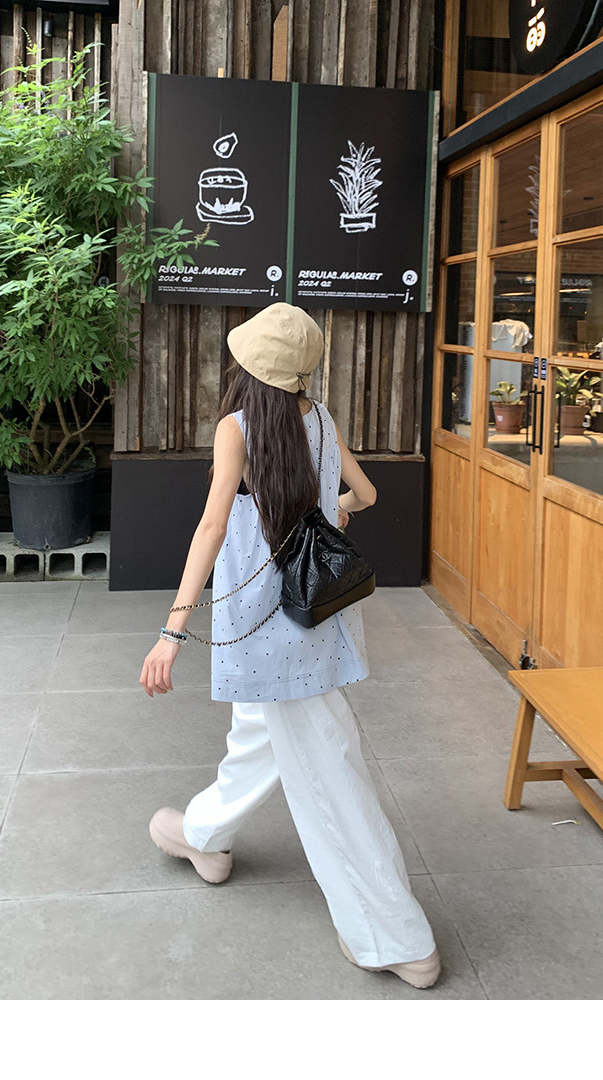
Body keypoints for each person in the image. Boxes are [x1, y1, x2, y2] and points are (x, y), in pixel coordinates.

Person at [139, 303, 440, 989]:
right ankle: (204, 836)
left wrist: (172, 630)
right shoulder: (323, 420)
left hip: (261, 626)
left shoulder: (237, 429)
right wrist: (333, 511)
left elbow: (212, 528)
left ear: (248, 366)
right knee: (259, 733)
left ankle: (397, 939)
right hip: (316, 615)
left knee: (331, 774)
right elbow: (364, 493)